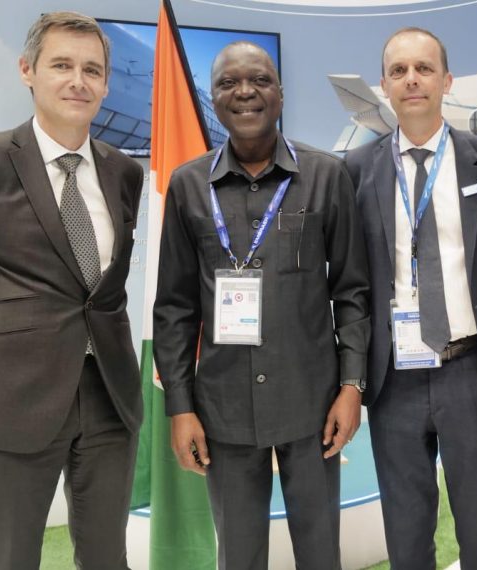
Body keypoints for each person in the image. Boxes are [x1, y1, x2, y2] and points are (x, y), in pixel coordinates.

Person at [0, 12, 144, 569]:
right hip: (10, 398)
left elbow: (101, 288)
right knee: (10, 558)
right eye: (61, 65)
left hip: (109, 394)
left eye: (92, 70)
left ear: (105, 85)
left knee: (107, 557)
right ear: (27, 71)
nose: (78, 81)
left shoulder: (123, 172)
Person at [152, 41, 369, 570]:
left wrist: (352, 387)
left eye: (260, 80)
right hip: (222, 409)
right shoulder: (188, 185)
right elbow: (175, 308)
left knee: (320, 553)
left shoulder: (326, 175)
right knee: (239, 556)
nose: (245, 92)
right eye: (228, 83)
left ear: (280, 93)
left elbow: (352, 291)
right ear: (214, 98)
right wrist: (180, 407)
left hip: (313, 406)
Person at [343, 27, 477, 570]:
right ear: (383, 85)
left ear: (447, 81)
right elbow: (351, 285)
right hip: (393, 375)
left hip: (470, 372)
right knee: (405, 528)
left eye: (424, 68)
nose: (412, 80)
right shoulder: (356, 171)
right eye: (398, 71)